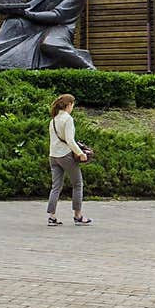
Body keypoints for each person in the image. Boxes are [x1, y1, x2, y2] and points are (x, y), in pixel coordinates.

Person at [47, 94, 91, 226]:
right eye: (72, 105)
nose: (72, 108)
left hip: (53, 156)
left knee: (56, 187)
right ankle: (78, 216)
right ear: (68, 105)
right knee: (77, 184)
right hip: (65, 155)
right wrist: (80, 153)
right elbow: (70, 140)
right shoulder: (68, 119)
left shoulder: (53, 120)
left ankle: (52, 216)